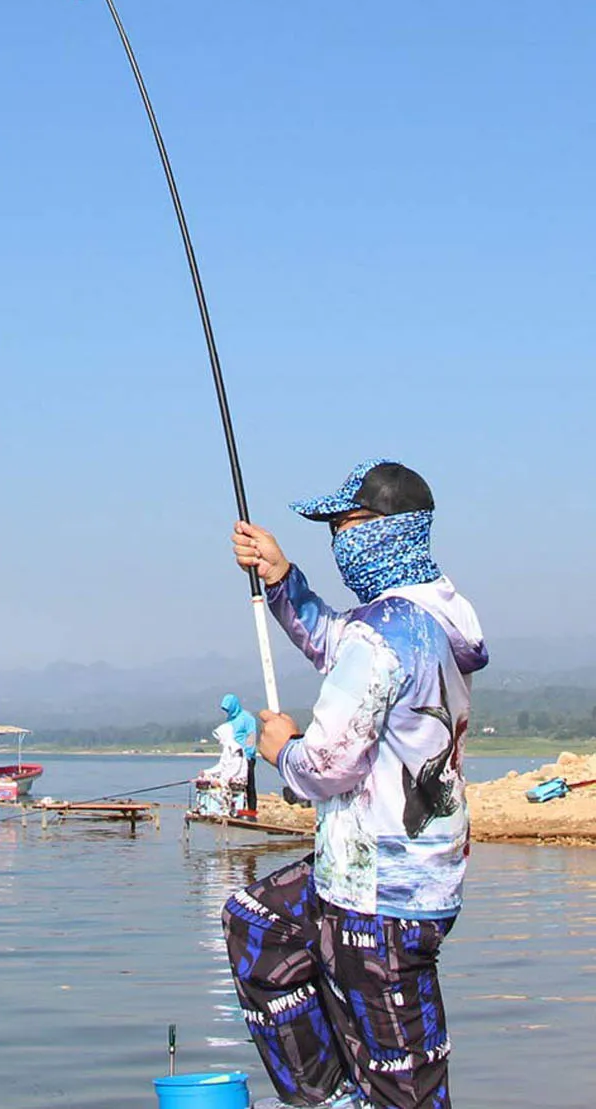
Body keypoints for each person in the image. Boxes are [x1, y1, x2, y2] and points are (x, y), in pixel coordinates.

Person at [222, 460, 488, 1109]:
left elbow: (326, 765)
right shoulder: (429, 614)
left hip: (383, 898)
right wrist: (281, 577)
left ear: (389, 529)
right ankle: (335, 1098)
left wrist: (282, 750)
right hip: (376, 872)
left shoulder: (385, 635)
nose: (339, 540)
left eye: (347, 525)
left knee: (405, 1083)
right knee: (258, 926)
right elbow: (333, 640)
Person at [220, 692, 258, 814]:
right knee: (233, 783)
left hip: (246, 756)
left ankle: (252, 811)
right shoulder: (230, 719)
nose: (227, 712)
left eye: (228, 708)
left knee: (249, 784)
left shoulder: (247, 718)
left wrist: (249, 754)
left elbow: (251, 735)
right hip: (233, 756)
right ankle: (234, 808)